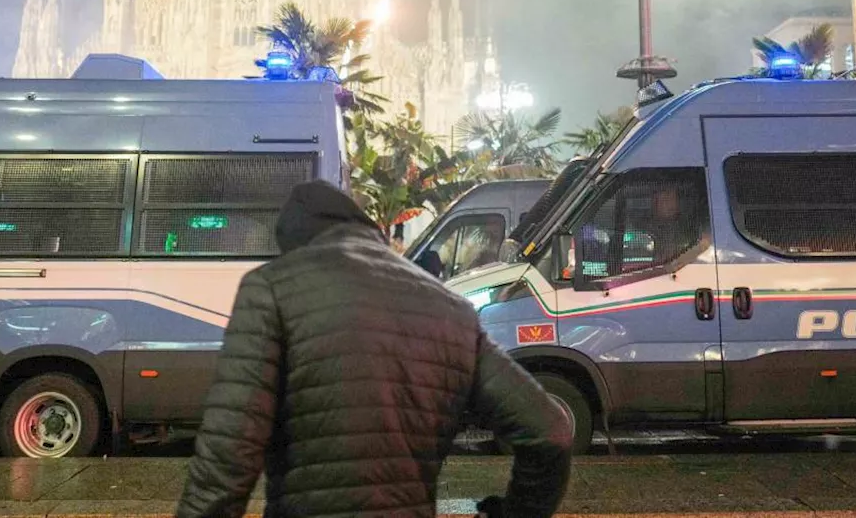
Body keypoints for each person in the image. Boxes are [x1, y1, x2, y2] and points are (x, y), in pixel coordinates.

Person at [175, 179, 572, 518]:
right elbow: (550, 431)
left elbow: (228, 461)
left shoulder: (272, 288)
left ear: (294, 242)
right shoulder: (451, 307)